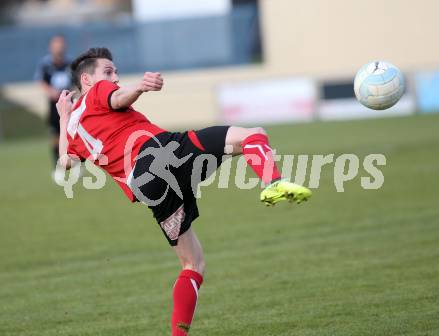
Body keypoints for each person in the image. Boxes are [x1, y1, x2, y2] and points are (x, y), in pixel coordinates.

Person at [56, 47, 312, 336]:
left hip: (148, 188)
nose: (114, 77)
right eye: (108, 71)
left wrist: (63, 117)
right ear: (87, 80)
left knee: (193, 263)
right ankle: (273, 183)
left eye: (114, 72)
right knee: (254, 134)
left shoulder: (74, 127)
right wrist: (139, 86)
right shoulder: (98, 92)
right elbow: (118, 96)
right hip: (158, 155)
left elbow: (66, 161)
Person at [34, 35, 73, 182]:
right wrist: (51, 91)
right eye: (56, 45)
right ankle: (57, 167)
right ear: (51, 47)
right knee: (56, 137)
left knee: (73, 135)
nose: (59, 47)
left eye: (61, 44)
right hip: (54, 106)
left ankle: (76, 165)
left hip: (70, 105)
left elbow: (77, 80)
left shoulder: (70, 63)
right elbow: (40, 80)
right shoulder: (45, 64)